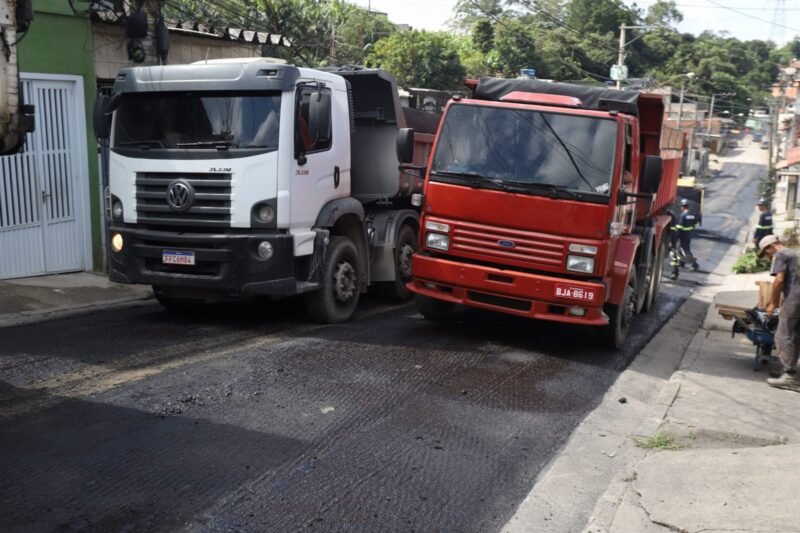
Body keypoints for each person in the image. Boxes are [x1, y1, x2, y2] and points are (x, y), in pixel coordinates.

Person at [760, 235, 800, 392]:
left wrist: (772, 303)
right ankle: (789, 370)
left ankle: (790, 376)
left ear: (770, 246)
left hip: (795, 299)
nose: (769, 256)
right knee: (795, 334)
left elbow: (779, 280)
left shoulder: (780, 255)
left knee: (782, 334)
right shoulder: (795, 253)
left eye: (767, 253)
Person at [674, 198, 699, 271]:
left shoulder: (683, 215)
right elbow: (695, 224)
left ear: (682, 206)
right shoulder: (692, 215)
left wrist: (677, 236)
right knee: (681, 249)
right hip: (689, 235)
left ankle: (695, 265)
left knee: (685, 250)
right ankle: (682, 263)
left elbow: (679, 227)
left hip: (683, 235)